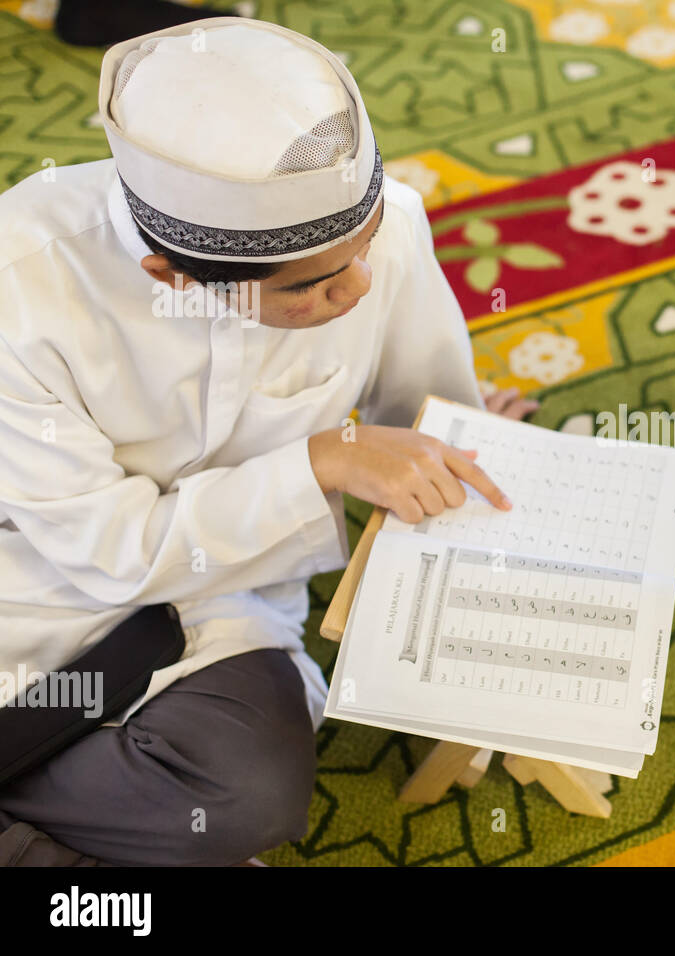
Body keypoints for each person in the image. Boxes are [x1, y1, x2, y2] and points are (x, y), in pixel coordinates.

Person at [0, 17, 536, 866]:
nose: (358, 288)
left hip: (226, 604)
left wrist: (460, 435)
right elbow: (107, 553)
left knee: (246, 799)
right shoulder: (23, 285)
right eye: (313, 287)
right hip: (32, 594)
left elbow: (426, 407)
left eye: (362, 253)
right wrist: (323, 460)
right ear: (171, 277)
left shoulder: (385, 228)